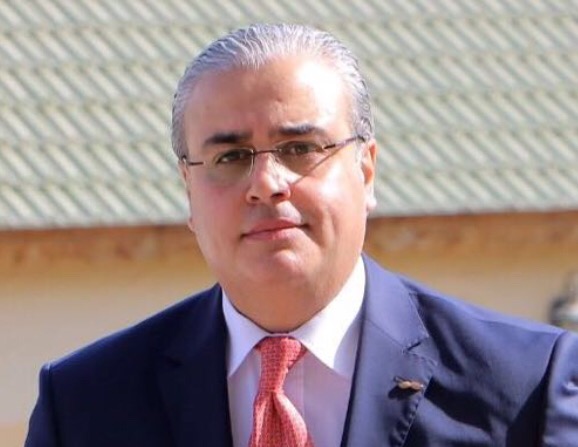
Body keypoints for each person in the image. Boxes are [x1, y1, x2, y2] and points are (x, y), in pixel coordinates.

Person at [26, 23, 578, 447]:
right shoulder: (84, 405)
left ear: (366, 171)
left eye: (299, 149)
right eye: (230, 157)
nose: (266, 184)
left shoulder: (526, 385)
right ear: (188, 190)